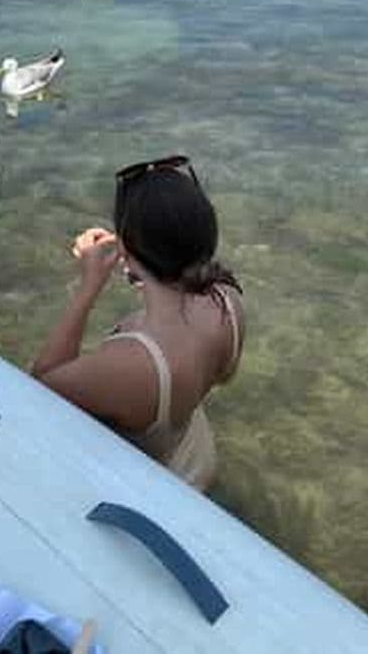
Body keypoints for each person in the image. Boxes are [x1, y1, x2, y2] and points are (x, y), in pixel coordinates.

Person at [31, 154, 244, 491]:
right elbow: (182, 307)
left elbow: (42, 384)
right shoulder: (228, 300)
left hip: (157, 487)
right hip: (195, 456)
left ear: (127, 252)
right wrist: (140, 265)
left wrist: (90, 283)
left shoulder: (133, 364)